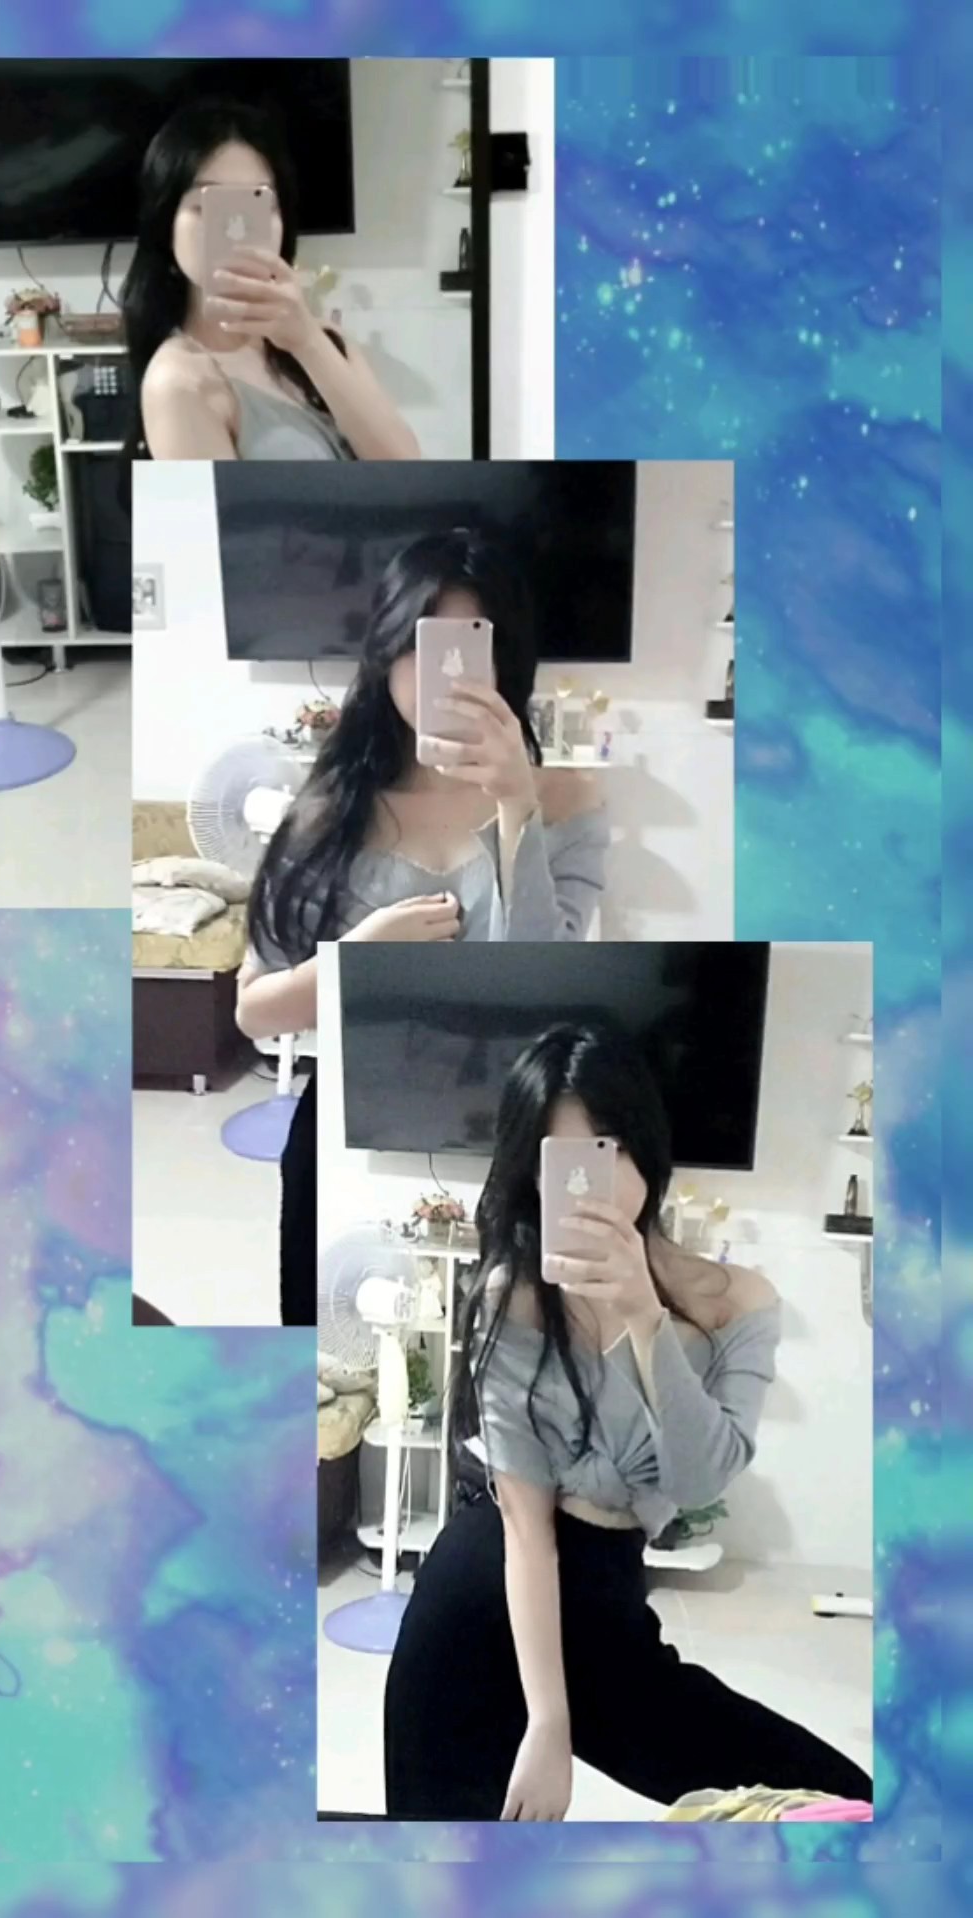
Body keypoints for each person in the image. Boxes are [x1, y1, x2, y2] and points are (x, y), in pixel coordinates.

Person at [383, 1023, 873, 1820]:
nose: (594, 1187)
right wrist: (548, 1722)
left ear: (645, 1147)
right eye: (565, 1162)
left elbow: (699, 1478)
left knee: (836, 1800)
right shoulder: (512, 1297)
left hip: (608, 1604)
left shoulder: (736, 1303)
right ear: (534, 1173)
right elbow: (525, 1529)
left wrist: (642, 1318)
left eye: (607, 1150)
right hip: (485, 1608)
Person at [236, 531, 611, 1326]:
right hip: (346, 1132)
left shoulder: (568, 801)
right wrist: (358, 958)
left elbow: (540, 981)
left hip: (514, 1140)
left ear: (509, 659)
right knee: (323, 1346)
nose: (444, 676)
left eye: (472, 648)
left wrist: (516, 805)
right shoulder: (329, 811)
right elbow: (254, 1010)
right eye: (421, 645)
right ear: (384, 652)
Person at [121, 99, 419, 462]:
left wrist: (308, 342)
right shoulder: (179, 381)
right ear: (165, 225)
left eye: (258, 204)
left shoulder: (328, 341)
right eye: (208, 206)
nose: (235, 228)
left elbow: (406, 469)